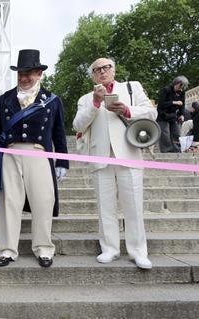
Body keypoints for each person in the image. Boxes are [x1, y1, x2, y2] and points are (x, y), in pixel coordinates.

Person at [0, 49, 69, 269]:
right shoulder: (3, 100)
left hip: (39, 153)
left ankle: (44, 248)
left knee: (42, 201)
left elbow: (59, 132)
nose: (25, 77)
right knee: (10, 202)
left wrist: (62, 161)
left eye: (30, 73)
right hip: (10, 153)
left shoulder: (51, 100)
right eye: (21, 73)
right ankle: (8, 250)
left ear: (39, 73)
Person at [73, 58, 157, 270]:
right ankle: (109, 248)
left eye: (106, 68)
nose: (102, 72)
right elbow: (78, 124)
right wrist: (95, 103)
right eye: (97, 70)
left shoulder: (131, 87)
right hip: (101, 156)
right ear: (92, 75)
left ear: (113, 70)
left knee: (134, 206)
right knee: (105, 206)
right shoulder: (86, 98)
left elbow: (151, 112)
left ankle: (138, 250)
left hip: (128, 153)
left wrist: (127, 110)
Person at [156, 76, 189, 153]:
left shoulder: (182, 92)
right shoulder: (166, 90)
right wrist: (174, 102)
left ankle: (177, 150)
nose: (181, 89)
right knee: (165, 135)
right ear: (177, 83)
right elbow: (161, 104)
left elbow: (182, 105)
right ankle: (166, 151)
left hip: (173, 115)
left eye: (183, 88)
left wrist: (182, 114)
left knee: (176, 133)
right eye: (181, 86)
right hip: (163, 115)